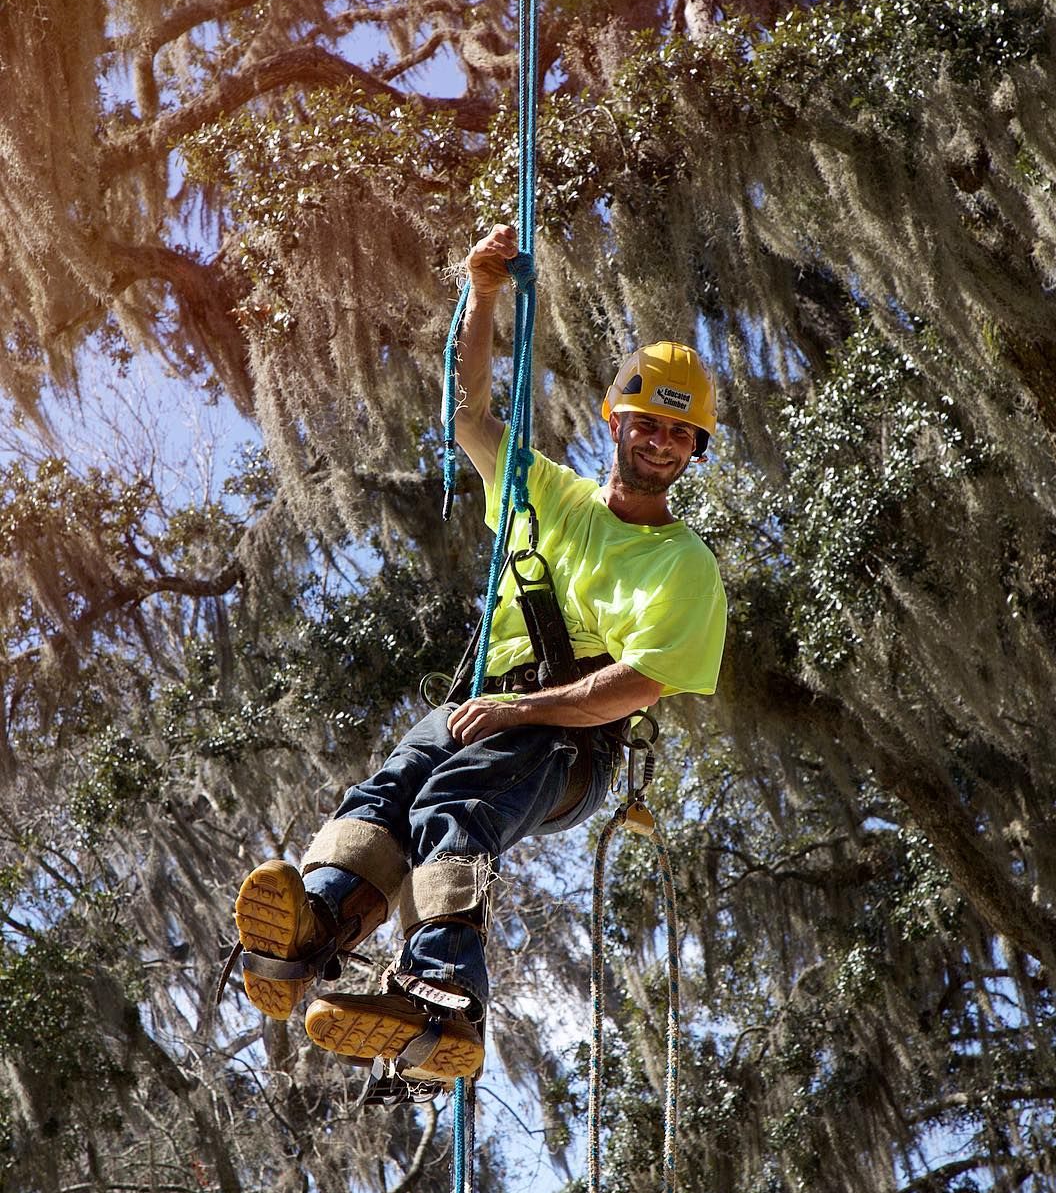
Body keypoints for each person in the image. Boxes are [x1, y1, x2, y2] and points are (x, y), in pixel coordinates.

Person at [230, 223, 727, 1091]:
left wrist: (524, 710)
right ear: (616, 420)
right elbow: (465, 412)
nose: (660, 443)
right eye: (648, 422)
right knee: (389, 792)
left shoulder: (684, 565)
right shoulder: (548, 494)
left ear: (694, 452)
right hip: (480, 707)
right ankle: (319, 923)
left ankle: (446, 993)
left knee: (457, 799)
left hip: (569, 741)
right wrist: (483, 293)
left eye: (680, 437)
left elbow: (638, 681)